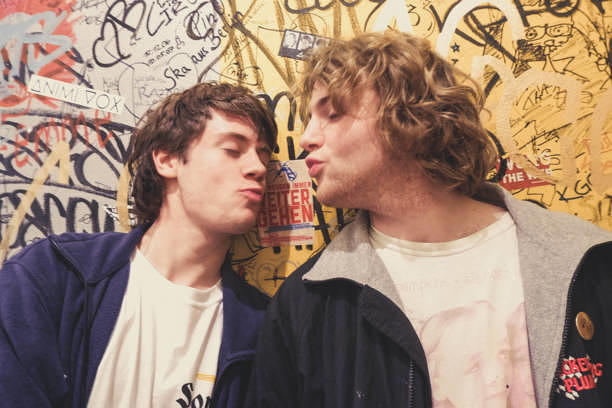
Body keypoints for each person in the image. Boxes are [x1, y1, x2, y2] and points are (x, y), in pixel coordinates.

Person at [247, 31, 612, 407]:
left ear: (413, 115)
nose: (306, 137)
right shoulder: (307, 304)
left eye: (332, 113)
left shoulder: (584, 262)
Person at [0, 82, 278, 408]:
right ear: (167, 159)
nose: (257, 168)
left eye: (263, 155)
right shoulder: (51, 275)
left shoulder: (262, 330)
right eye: (233, 149)